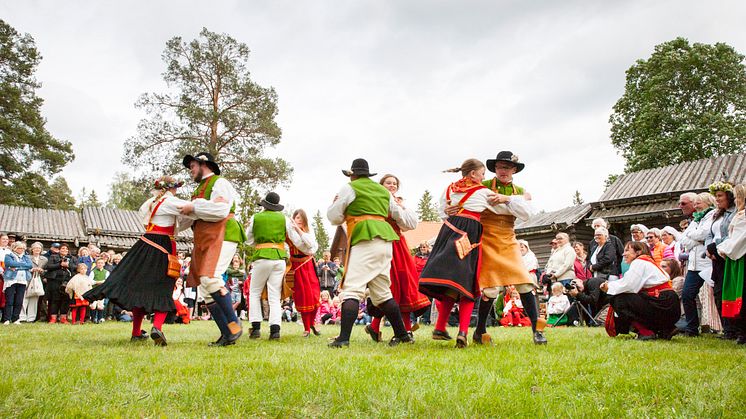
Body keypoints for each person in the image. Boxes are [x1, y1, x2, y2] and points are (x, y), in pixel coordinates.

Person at [420, 158, 519, 348]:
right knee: (468, 283)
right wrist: (515, 198)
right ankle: (463, 332)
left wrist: (448, 211)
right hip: (470, 234)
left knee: (451, 283)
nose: (484, 178)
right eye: (482, 174)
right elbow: (503, 208)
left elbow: (443, 211)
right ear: (473, 174)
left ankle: (440, 327)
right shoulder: (482, 192)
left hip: (449, 232)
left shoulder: (450, 188)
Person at [85, 176, 190, 346]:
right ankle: (157, 327)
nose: (176, 191)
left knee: (140, 287)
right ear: (171, 188)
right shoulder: (170, 201)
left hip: (145, 244)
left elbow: (147, 217)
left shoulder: (150, 202)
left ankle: (136, 332)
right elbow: (188, 209)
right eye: (176, 188)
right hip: (163, 244)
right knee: (164, 285)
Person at [326, 158, 413, 347]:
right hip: (385, 241)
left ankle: (343, 339)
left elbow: (333, 217)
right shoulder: (383, 191)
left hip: (364, 238)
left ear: (352, 174)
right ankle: (402, 335)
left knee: (352, 290)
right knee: (382, 292)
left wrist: (337, 206)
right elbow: (402, 218)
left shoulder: (350, 188)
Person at [466, 151, 544, 345]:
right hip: (487, 237)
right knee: (491, 289)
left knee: (525, 283)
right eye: (500, 167)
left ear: (514, 170)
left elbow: (527, 214)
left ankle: (537, 331)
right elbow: (469, 200)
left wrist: (507, 199)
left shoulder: (518, 189)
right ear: (495, 169)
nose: (503, 170)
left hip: (509, 238)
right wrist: (518, 200)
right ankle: (480, 331)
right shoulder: (483, 186)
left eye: (507, 167)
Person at [179, 152, 247, 347]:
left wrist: (194, 207)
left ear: (204, 164)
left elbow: (220, 210)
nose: (190, 170)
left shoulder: (219, 182)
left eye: (192, 165)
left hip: (223, 232)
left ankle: (234, 323)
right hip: (205, 236)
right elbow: (189, 216)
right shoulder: (199, 189)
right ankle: (227, 333)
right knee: (204, 287)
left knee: (211, 277)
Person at [365, 174, 428, 343]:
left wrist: (401, 207)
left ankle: (389, 328)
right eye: (388, 183)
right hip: (382, 242)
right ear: (381, 185)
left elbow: (409, 225)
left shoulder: (399, 202)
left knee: (404, 283)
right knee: (388, 285)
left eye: (394, 183)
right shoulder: (376, 199)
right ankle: (386, 327)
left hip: (398, 244)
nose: (392, 186)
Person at [245, 192, 307, 340]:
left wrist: (260, 243)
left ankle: (255, 328)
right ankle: (275, 330)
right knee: (274, 296)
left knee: (254, 292)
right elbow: (294, 238)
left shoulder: (256, 217)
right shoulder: (284, 218)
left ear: (265, 205)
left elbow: (247, 239)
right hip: (279, 258)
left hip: (261, 257)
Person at [602, 241, 680, 340]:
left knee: (618, 298)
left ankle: (646, 332)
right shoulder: (648, 262)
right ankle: (667, 329)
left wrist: (609, 287)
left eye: (627, 251)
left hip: (662, 303)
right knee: (633, 298)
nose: (623, 254)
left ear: (638, 252)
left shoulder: (639, 262)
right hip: (670, 304)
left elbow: (629, 285)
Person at [678, 192, 717, 337]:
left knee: (717, 295)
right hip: (694, 265)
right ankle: (692, 328)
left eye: (698, 202)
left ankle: (728, 328)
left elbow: (704, 234)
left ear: (708, 202)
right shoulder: (696, 219)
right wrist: (696, 238)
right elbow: (684, 240)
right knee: (688, 295)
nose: (695, 205)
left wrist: (694, 236)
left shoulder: (712, 215)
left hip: (708, 263)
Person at [706, 181, 738, 340]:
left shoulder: (736, 213)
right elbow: (709, 234)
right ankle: (727, 329)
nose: (717, 199)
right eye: (715, 196)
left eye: (720, 196)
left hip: (727, 253)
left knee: (729, 290)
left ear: (729, 196)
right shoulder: (716, 214)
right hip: (714, 255)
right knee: (717, 291)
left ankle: (735, 328)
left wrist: (716, 247)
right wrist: (709, 249)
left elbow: (733, 234)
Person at [717, 183, 746, 344]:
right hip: (735, 256)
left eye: (736, 197)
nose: (735, 200)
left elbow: (740, 239)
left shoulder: (744, 215)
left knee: (742, 292)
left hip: (740, 257)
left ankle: (743, 332)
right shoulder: (740, 214)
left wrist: (723, 248)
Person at [287, 209, 321, 337]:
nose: (299, 220)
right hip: (296, 267)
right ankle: (307, 328)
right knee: (303, 296)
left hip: (308, 265)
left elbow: (311, 244)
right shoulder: (289, 233)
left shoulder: (308, 232)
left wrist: (298, 229)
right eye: (296, 217)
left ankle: (312, 323)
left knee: (314, 295)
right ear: (293, 219)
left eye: (301, 218)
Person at [45, 243, 77, 324]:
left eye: (66, 249)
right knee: (54, 300)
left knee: (66, 300)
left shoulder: (72, 258)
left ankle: (63, 318)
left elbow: (76, 267)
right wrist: (60, 264)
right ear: (59, 249)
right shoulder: (53, 256)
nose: (65, 250)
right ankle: (53, 318)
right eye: (63, 248)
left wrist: (68, 265)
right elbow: (48, 266)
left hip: (67, 281)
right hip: (55, 281)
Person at [3, 241, 33, 324]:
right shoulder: (9, 256)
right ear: (15, 248)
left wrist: (16, 267)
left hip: (22, 280)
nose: (21, 250)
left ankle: (16, 318)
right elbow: (9, 263)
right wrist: (23, 266)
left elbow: (30, 265)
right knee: (9, 300)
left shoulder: (26, 257)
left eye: (23, 248)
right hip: (11, 280)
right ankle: (7, 318)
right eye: (20, 248)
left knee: (19, 301)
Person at [21, 242, 47, 322]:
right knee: (24, 298)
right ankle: (22, 317)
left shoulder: (44, 259)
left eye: (39, 248)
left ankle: (31, 318)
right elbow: (23, 267)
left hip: (38, 280)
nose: (37, 249)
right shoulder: (27, 257)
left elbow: (47, 270)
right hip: (28, 279)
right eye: (35, 248)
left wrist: (41, 270)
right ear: (32, 249)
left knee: (34, 298)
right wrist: (31, 270)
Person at [88, 258, 109, 323]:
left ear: (104, 264)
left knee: (100, 305)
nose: (100, 264)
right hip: (94, 290)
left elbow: (107, 281)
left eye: (101, 263)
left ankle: (100, 318)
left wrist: (103, 282)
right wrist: (97, 282)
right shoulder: (93, 272)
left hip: (102, 290)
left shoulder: (106, 272)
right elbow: (90, 281)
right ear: (96, 264)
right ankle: (93, 318)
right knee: (93, 305)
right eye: (98, 263)